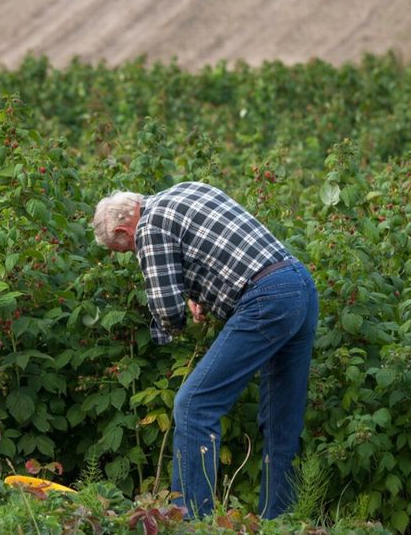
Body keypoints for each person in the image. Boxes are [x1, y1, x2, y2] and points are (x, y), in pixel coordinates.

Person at [91, 181, 318, 520]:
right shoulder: (186, 190)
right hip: (299, 285)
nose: (134, 254)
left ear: (125, 229)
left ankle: (193, 523)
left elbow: (167, 309)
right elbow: (216, 245)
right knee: (281, 421)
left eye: (126, 249)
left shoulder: (148, 228)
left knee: (194, 405)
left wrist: (171, 329)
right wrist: (199, 293)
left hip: (266, 300)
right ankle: (281, 523)